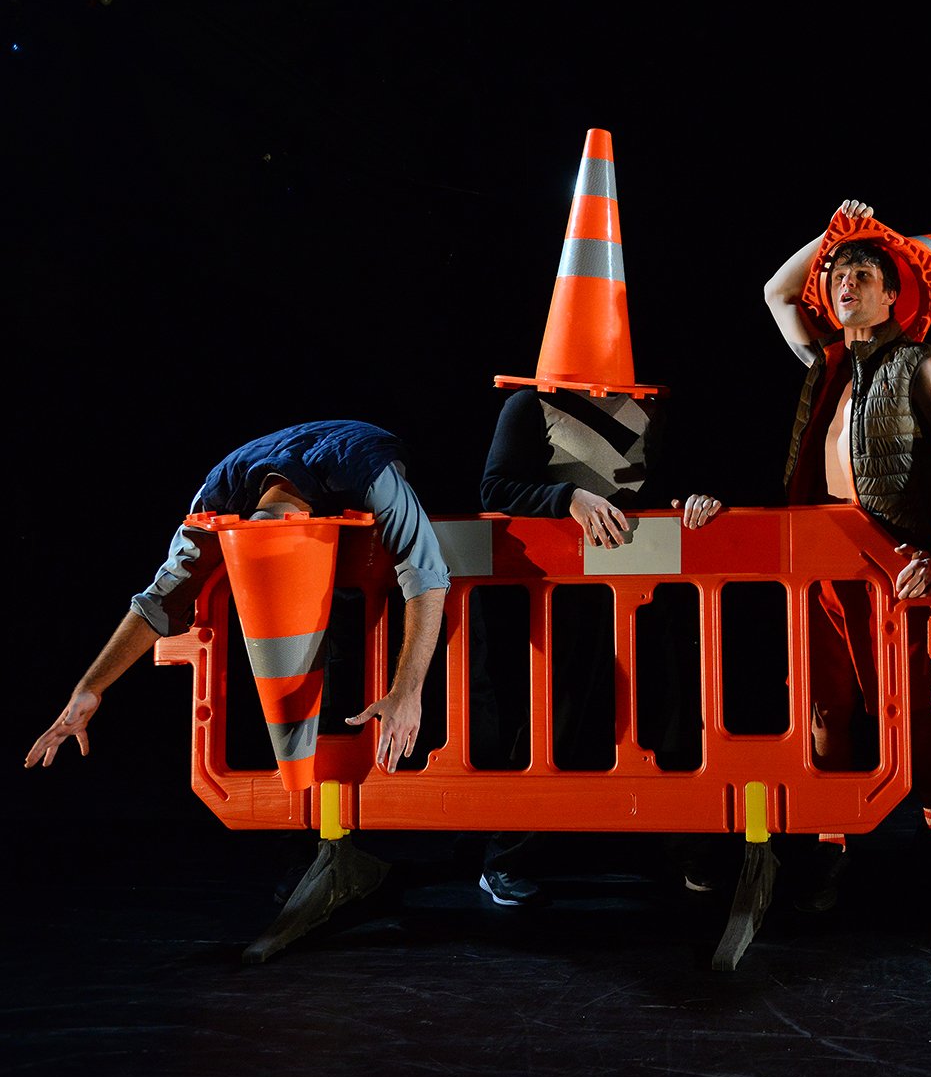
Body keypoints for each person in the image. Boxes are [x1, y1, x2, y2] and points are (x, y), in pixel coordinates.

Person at [763, 199, 931, 911]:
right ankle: (832, 841)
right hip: (822, 567)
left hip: (892, 569)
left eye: (861, 274)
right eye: (837, 276)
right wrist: (835, 232)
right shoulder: (827, 361)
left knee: (913, 709)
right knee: (826, 709)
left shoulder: (918, 362)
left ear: (893, 295)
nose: (843, 282)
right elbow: (776, 292)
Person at [25, 420, 450, 780]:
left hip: (357, 444)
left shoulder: (369, 475)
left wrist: (406, 693)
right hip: (267, 458)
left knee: (374, 595)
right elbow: (159, 600)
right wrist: (90, 688)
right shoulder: (214, 499)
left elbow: (427, 576)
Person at [472, 386, 723, 905]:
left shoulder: (654, 402)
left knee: (671, 716)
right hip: (565, 597)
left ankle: (691, 853)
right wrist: (567, 498)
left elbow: (673, 485)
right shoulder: (531, 404)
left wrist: (698, 499)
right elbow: (494, 489)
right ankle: (506, 857)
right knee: (555, 721)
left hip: (650, 592)